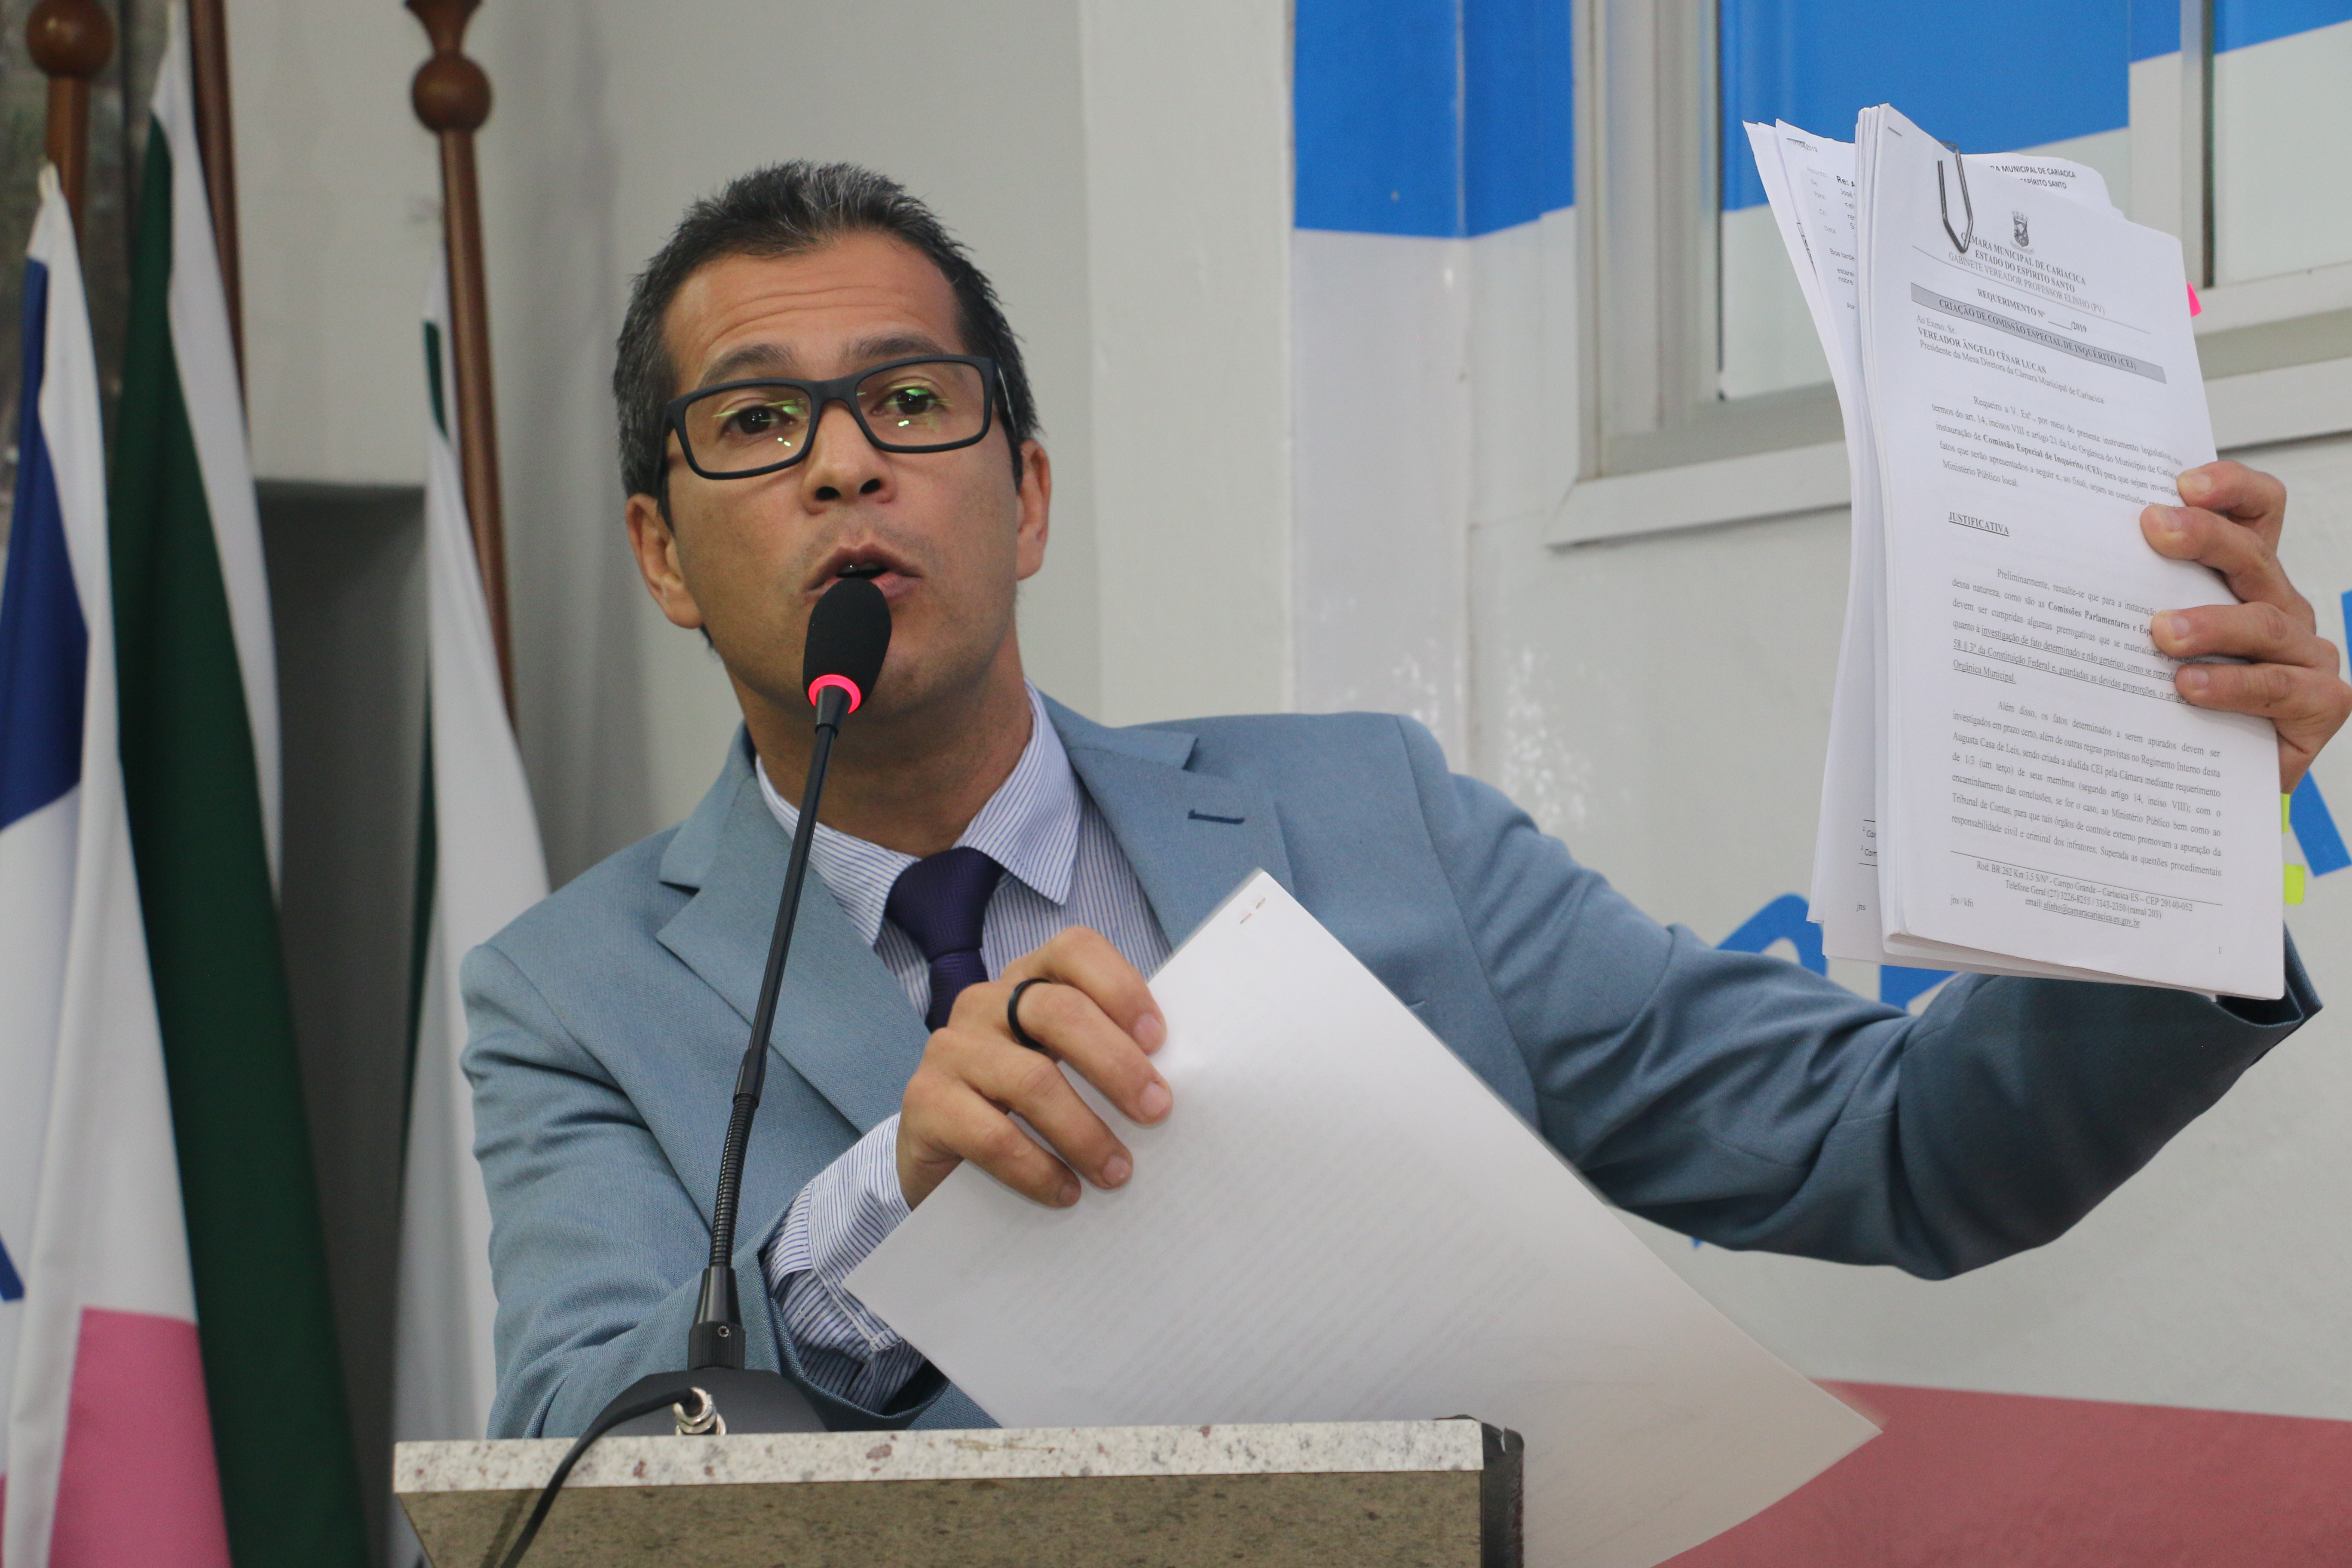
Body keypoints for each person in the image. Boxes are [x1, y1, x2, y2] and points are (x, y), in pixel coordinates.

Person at [465, 162, 2348, 1439]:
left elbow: (1903, 1148)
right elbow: (570, 1462)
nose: (845, 466)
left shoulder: (1375, 815)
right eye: (755, 422)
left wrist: (2173, 831)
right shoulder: (567, 998)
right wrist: (892, 1201)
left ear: (1024, 499)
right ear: (663, 552)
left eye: (909, 400)